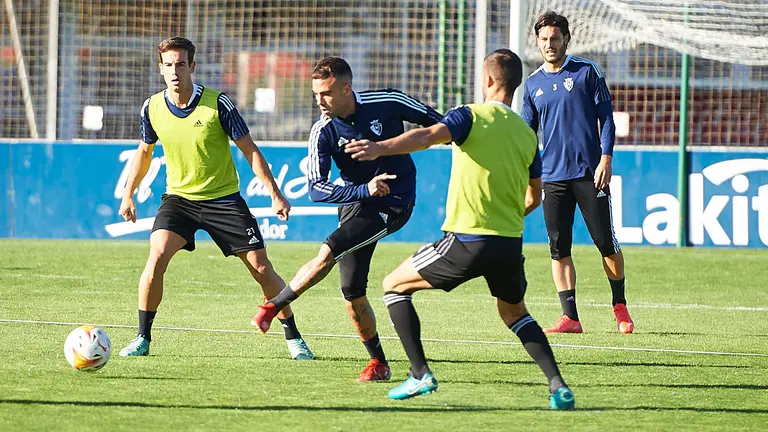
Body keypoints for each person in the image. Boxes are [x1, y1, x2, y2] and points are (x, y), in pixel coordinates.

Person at [344, 49, 575, 409]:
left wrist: (379, 149)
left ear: (486, 80)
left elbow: (426, 136)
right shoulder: (527, 134)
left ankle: (419, 373)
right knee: (515, 314)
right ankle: (558, 385)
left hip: (468, 239)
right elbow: (535, 194)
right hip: (509, 242)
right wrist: (510, 213)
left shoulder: (470, 116)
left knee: (393, 286)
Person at [117, 37, 314, 360]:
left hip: (224, 200)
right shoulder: (151, 107)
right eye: (169, 65)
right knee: (155, 259)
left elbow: (249, 150)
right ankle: (142, 337)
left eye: (181, 64)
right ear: (161, 69)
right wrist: (129, 195)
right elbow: (143, 152)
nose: (175, 71)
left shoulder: (218, 104)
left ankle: (293, 336)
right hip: (179, 200)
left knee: (262, 270)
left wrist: (275, 195)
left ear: (192, 66)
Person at [251, 56, 442, 382]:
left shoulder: (388, 102)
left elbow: (441, 125)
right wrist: (364, 190)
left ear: (346, 89)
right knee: (351, 291)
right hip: (358, 202)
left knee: (329, 251)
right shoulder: (323, 131)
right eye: (315, 94)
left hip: (394, 202)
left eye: (325, 94)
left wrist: (383, 150)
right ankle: (379, 363)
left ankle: (272, 306)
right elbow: (316, 189)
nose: (319, 102)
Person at [521, 11, 634, 334]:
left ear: (566, 39)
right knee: (559, 248)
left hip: (589, 173)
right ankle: (570, 317)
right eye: (543, 39)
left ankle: (620, 307)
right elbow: (528, 135)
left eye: (555, 38)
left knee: (605, 243)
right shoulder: (532, 85)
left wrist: (606, 158)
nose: (549, 44)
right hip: (552, 178)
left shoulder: (586, 71)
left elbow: (607, 119)